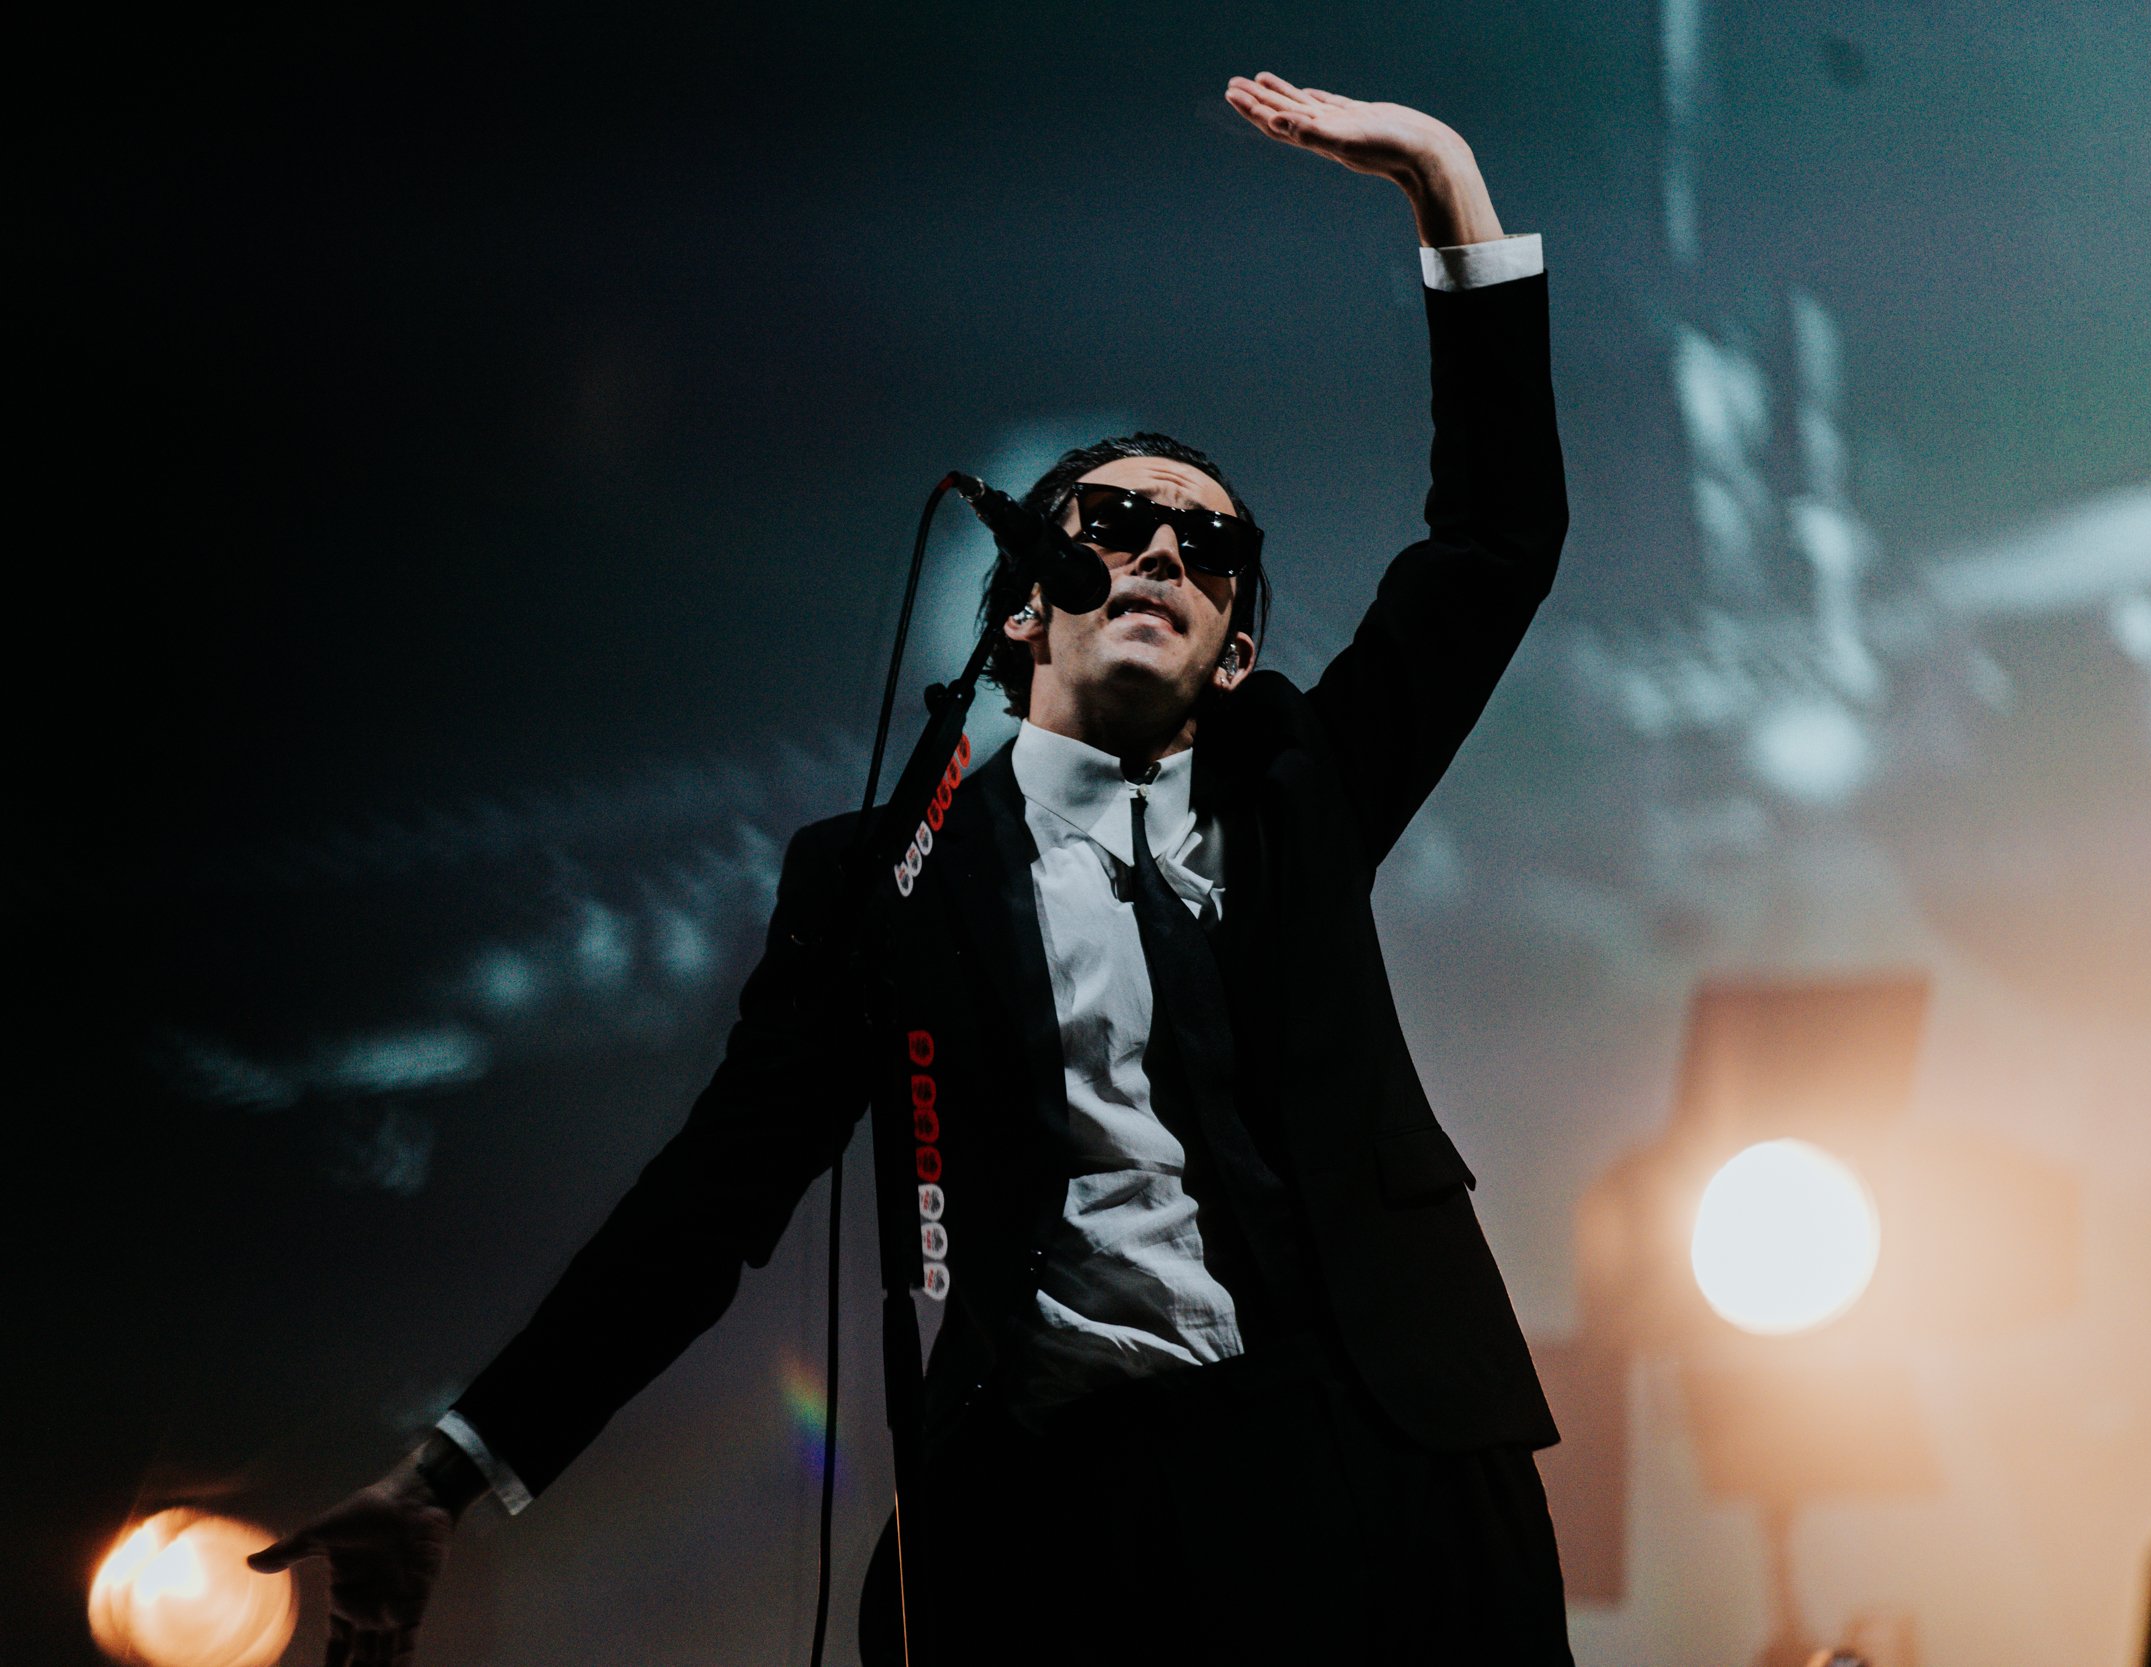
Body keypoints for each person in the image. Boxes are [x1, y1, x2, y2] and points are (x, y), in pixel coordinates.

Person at [251, 70, 1572, 1666]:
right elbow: (712, 1198)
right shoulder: (883, 882)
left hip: (1379, 1475)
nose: (1163, 549)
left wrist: (1443, 178)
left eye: (1209, 547)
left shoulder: (1305, 784)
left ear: (1234, 652)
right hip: (1065, 1516)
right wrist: (456, 1470)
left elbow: (1493, 541)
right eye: (1114, 522)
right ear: (1023, 605)